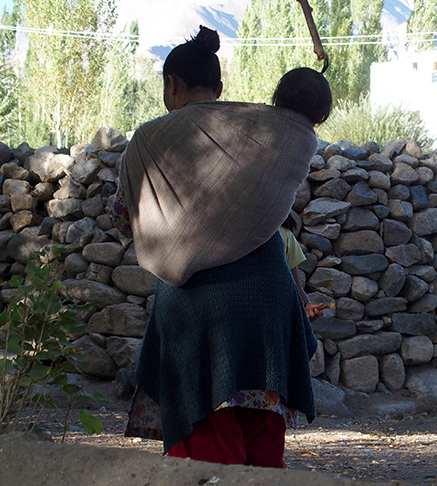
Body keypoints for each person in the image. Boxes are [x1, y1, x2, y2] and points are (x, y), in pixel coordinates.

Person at [115, 26, 332, 468]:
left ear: (171, 84)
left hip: (198, 308)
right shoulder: (260, 132)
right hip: (268, 302)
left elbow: (126, 220)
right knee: (262, 442)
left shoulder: (149, 139)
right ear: (220, 89)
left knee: (210, 451)